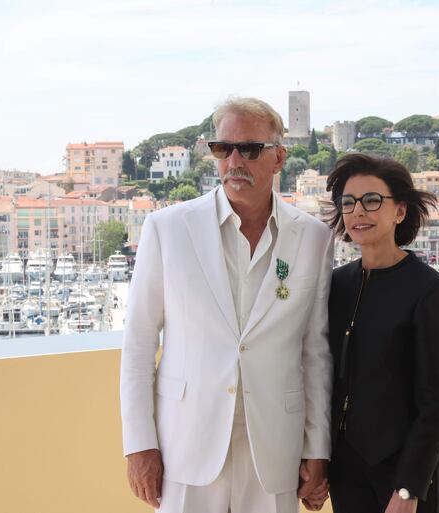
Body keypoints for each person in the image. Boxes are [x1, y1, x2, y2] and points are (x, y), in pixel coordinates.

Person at [120, 97, 333, 513]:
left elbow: (316, 353)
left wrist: (317, 448)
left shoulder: (313, 238)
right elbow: (139, 344)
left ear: (278, 158)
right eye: (223, 148)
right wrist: (139, 445)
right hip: (186, 446)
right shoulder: (167, 229)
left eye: (249, 149)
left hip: (275, 450)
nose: (234, 160)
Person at [321, 153, 439, 513]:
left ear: (400, 211)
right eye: (348, 202)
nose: (357, 212)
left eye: (371, 201)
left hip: (404, 472)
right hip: (347, 468)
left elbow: (437, 403)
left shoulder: (430, 290)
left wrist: (408, 489)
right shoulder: (337, 285)